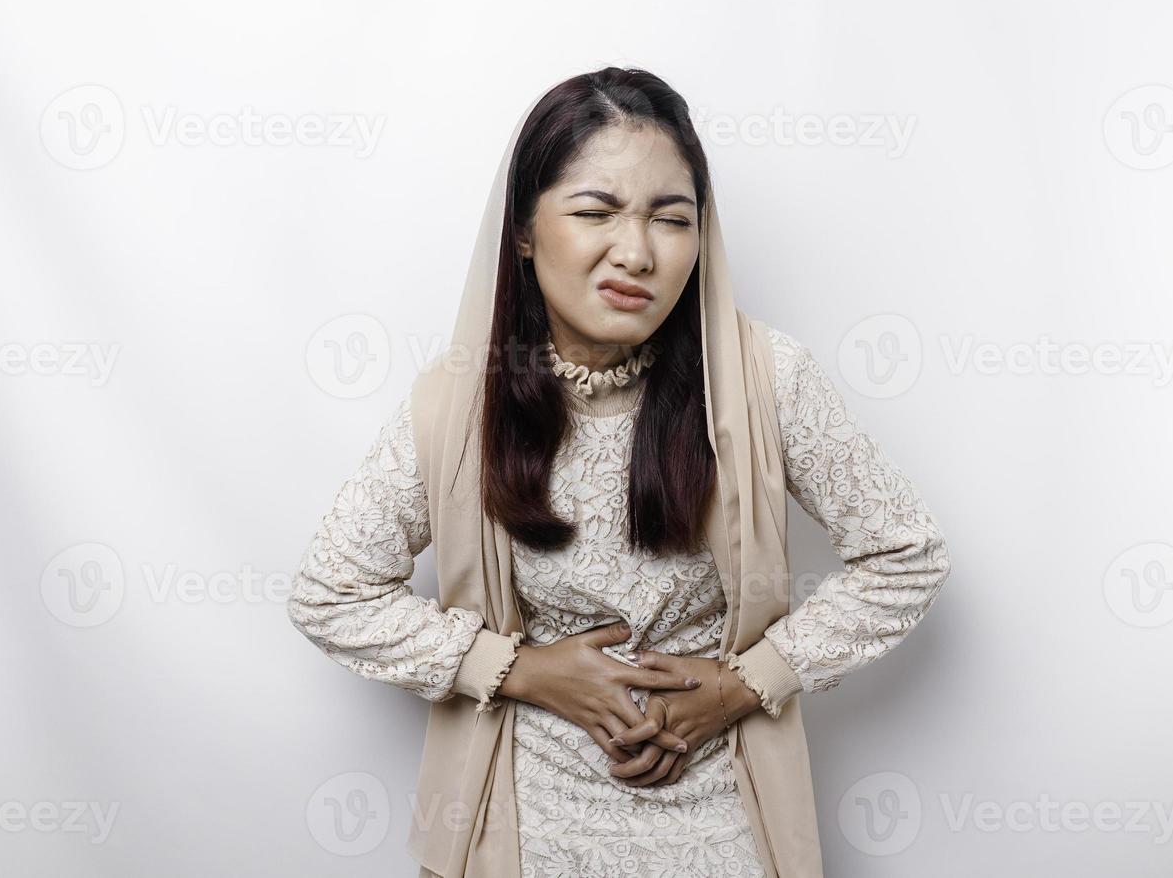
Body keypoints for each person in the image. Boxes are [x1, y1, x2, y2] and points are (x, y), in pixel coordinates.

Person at [286, 67, 952, 877]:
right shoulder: (459, 401)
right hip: (524, 820)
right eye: (596, 211)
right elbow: (332, 591)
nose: (635, 252)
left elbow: (906, 554)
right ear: (524, 231)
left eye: (671, 219)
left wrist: (742, 686)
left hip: (721, 815)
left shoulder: (768, 378)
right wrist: (523, 670)